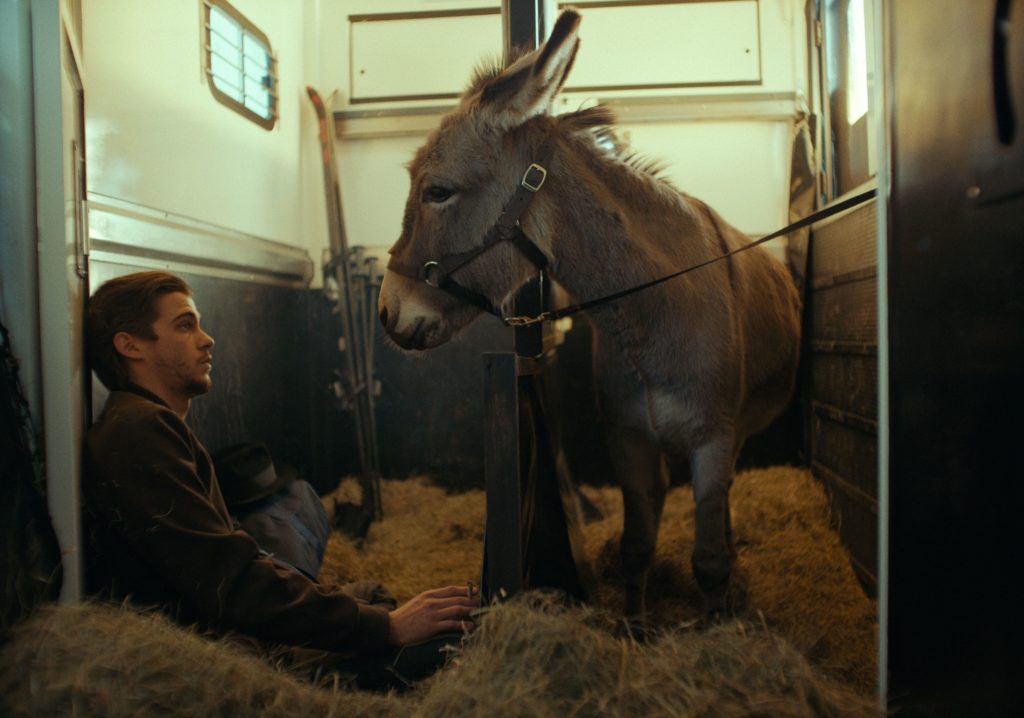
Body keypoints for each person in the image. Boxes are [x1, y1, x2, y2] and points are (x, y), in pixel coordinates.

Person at [82, 270, 477, 687]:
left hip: (234, 634)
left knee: (374, 597)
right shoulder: (138, 431)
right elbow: (230, 582)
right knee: (428, 639)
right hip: (217, 661)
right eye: (184, 325)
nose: (206, 338)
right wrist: (387, 628)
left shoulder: (149, 422)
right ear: (130, 345)